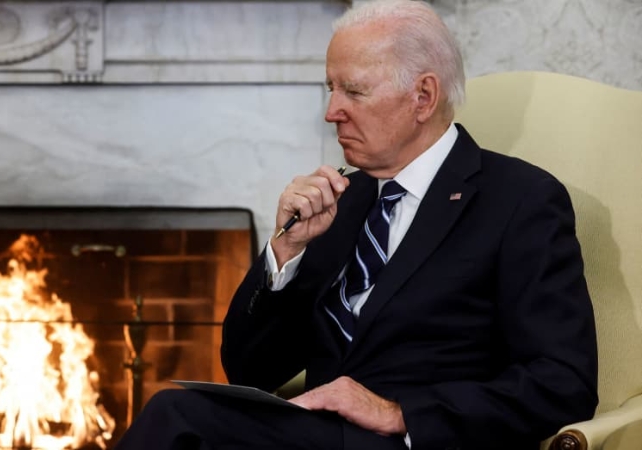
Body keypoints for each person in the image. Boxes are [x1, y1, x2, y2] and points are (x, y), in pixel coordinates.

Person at [114, 1, 598, 449]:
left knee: (176, 416)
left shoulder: (520, 200)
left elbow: (563, 383)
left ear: (423, 96)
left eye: (354, 90)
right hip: (314, 432)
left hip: (414, 441)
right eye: (331, 88)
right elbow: (250, 370)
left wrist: (399, 412)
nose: (331, 112)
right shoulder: (342, 200)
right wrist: (287, 256)